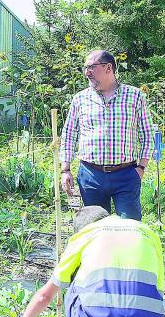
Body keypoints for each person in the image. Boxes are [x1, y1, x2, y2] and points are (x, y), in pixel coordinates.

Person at [16, 205, 165, 317]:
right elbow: (159, 291)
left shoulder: (85, 235)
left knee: (71, 281)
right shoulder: (148, 233)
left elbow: (45, 296)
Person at [60, 50, 153, 220]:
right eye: (85, 67)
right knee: (95, 230)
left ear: (108, 67)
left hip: (126, 174)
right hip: (90, 176)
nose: (87, 72)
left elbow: (147, 133)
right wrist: (65, 169)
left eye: (91, 67)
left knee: (130, 228)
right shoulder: (80, 99)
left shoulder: (135, 96)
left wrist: (141, 167)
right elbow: (69, 134)